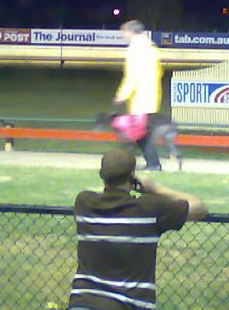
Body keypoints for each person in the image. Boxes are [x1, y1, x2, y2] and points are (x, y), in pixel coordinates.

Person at [68, 148, 207, 310]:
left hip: (82, 303)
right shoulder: (149, 209)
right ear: (132, 175)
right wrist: (155, 189)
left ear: (101, 174)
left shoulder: (84, 203)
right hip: (130, 305)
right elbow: (199, 208)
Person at [114, 20, 165, 171]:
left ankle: (152, 164)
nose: (123, 36)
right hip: (152, 96)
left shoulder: (134, 50)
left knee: (140, 134)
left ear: (131, 32)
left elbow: (132, 76)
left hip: (140, 98)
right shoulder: (151, 48)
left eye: (124, 32)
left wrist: (122, 95)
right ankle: (152, 163)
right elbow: (159, 72)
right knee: (142, 133)